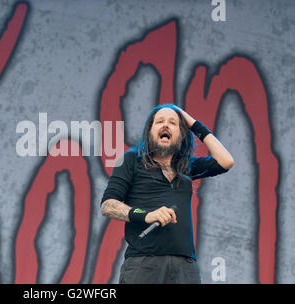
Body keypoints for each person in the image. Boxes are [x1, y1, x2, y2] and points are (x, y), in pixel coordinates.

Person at [100, 104, 234, 284]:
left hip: (185, 267)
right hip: (144, 264)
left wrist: (193, 124)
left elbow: (226, 161)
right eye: (160, 121)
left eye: (173, 123)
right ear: (150, 131)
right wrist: (146, 215)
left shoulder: (186, 166)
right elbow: (107, 205)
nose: (166, 125)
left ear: (181, 134)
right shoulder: (131, 160)